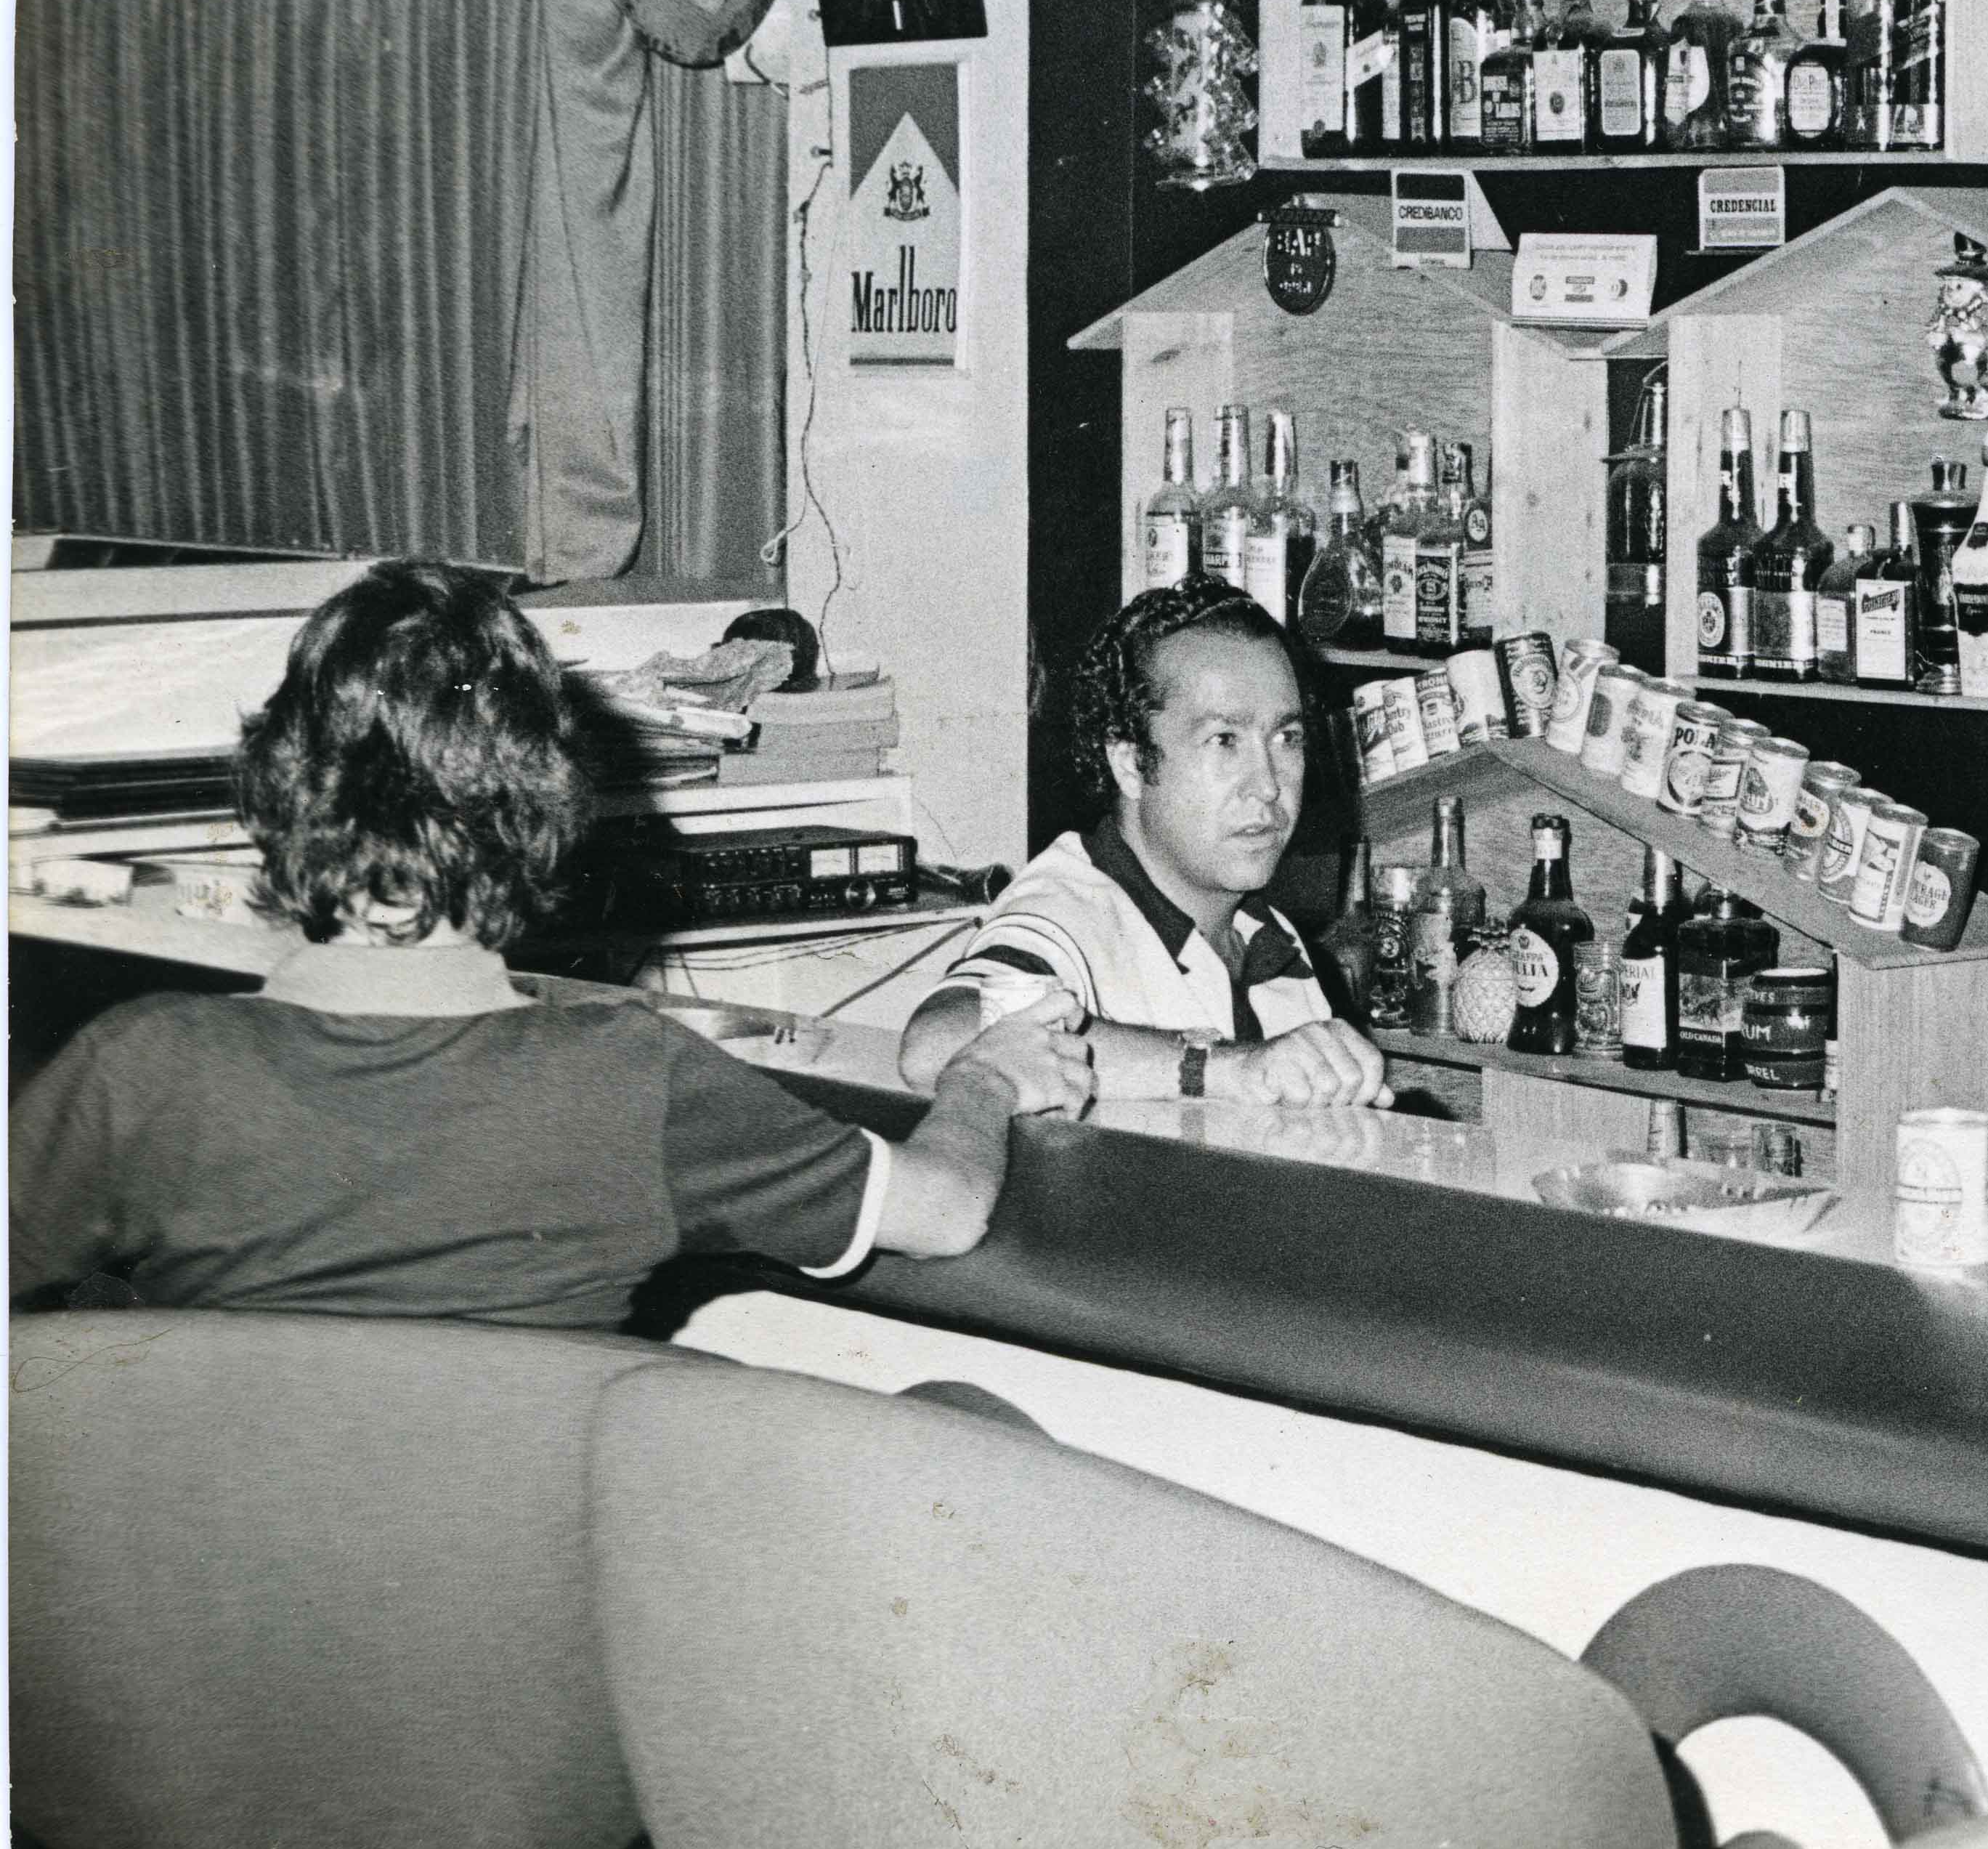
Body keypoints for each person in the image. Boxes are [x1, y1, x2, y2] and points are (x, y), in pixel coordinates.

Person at [9, 562, 1095, 1330]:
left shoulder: (140, 1066)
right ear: (543, 816)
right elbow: (943, 1212)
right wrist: (985, 1077)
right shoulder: (633, 1077)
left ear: (276, 791)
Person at [897, 581, 1389, 1109]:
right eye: (1224, 740)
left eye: (1286, 738)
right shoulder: (1067, 910)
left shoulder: (1268, 934)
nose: (1268, 785)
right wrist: (1223, 1068)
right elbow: (935, 1044)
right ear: (1131, 763)